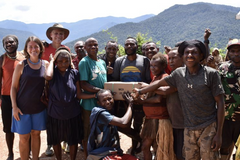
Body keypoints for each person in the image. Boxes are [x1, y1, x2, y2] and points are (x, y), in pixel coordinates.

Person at [133, 40, 225, 160]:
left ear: (201, 55)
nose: (190, 55)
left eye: (194, 53)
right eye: (187, 53)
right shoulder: (179, 74)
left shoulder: (211, 74)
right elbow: (158, 84)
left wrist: (218, 134)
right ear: (183, 56)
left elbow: (220, 102)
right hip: (188, 128)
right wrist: (140, 92)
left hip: (208, 126)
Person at [45, 47, 95, 160]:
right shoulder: (53, 74)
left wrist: (94, 95)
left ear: (70, 61)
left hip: (72, 112)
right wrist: (52, 61)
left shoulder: (74, 73)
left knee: (73, 140)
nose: (63, 64)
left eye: (66, 61)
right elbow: (47, 76)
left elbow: (78, 94)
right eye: (60, 61)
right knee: (55, 140)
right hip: (55, 113)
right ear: (56, 62)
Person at [11, 36, 48, 160]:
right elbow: (13, 88)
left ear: (40, 48)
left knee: (36, 134)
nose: (33, 49)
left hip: (39, 107)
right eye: (30, 46)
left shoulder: (45, 64)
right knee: (24, 138)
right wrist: (14, 107)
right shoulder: (21, 65)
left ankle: (36, 158)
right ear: (26, 49)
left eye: (36, 46)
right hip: (22, 108)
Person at [112, 37, 151, 156]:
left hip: (139, 99)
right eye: (126, 44)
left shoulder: (144, 60)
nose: (129, 46)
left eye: (131, 44)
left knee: (138, 124)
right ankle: (140, 140)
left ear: (137, 46)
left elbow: (147, 80)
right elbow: (116, 80)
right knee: (122, 125)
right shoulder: (119, 61)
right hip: (123, 100)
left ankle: (134, 148)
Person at [135, 53, 174, 160]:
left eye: (155, 66)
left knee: (155, 148)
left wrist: (142, 101)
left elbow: (158, 99)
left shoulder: (164, 78)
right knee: (149, 147)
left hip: (159, 120)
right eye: (151, 65)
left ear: (163, 66)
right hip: (151, 119)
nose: (152, 68)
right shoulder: (156, 78)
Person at [42, 23, 70, 156]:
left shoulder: (66, 49)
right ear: (51, 35)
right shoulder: (44, 48)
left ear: (64, 36)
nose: (58, 36)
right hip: (47, 87)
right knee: (50, 117)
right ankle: (50, 143)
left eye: (61, 34)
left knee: (63, 115)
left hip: (61, 88)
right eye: (56, 33)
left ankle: (64, 140)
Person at [87, 90, 138, 160]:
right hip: (101, 154)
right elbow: (123, 123)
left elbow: (126, 127)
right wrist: (130, 104)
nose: (108, 102)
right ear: (98, 103)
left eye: (109, 99)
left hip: (112, 152)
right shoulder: (100, 113)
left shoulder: (111, 112)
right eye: (104, 100)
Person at [79, 37, 107, 158]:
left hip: (102, 104)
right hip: (89, 105)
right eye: (89, 45)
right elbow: (83, 84)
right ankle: (87, 156)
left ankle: (98, 154)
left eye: (95, 45)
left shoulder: (102, 62)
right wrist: (101, 92)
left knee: (100, 131)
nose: (93, 47)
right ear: (85, 48)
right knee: (88, 132)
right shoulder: (84, 62)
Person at [0, 35, 25, 160]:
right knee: (8, 128)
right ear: (4, 45)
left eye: (12, 42)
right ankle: (10, 153)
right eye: (6, 43)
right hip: (6, 98)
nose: (9, 44)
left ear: (17, 43)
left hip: (23, 96)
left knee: (25, 125)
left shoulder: (23, 57)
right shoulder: (2, 59)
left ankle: (28, 151)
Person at [218, 39, 240, 160]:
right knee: (224, 147)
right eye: (233, 51)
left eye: (239, 51)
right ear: (229, 53)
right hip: (225, 117)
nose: (236, 54)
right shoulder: (223, 68)